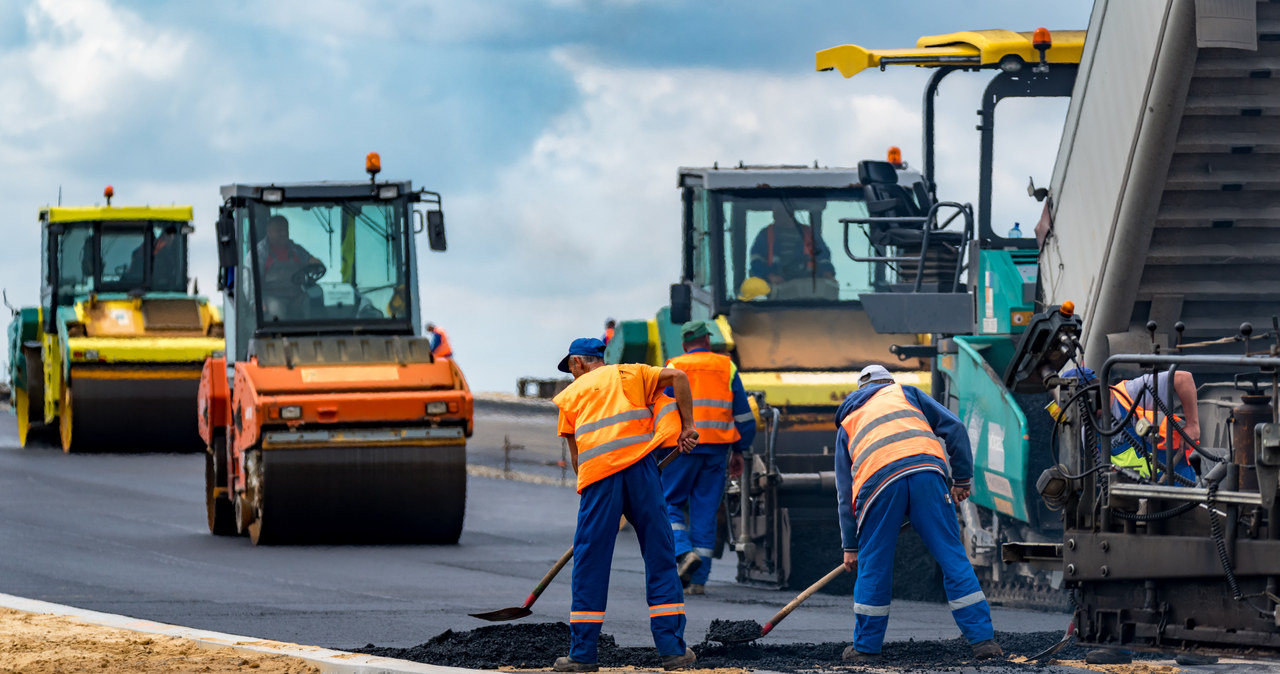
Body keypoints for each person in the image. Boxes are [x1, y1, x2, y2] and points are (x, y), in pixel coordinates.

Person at [835, 364, 1002, 662]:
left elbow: (845, 492)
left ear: (860, 391)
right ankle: (984, 642)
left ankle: (865, 649)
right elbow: (956, 429)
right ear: (888, 382)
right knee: (953, 557)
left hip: (878, 487)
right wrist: (962, 479)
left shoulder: (849, 419)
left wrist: (851, 546)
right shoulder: (906, 393)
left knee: (874, 565)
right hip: (927, 474)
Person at [551, 337, 699, 672]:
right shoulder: (630, 374)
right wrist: (688, 426)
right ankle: (673, 651)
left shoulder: (570, 397)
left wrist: (602, 503)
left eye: (571, 368)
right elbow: (678, 377)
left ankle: (583, 655)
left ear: (577, 363)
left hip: (599, 479)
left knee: (590, 561)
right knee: (661, 556)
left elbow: (577, 461)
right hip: (642, 470)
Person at [660, 321, 756, 595]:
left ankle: (683, 552)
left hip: (681, 448)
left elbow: (663, 410)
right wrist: (740, 450)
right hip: (716, 450)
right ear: (707, 340)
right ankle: (698, 581)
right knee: (705, 512)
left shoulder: (673, 364)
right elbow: (744, 417)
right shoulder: (727, 367)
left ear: (684, 344)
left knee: (668, 502)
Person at [1065, 367, 1201, 484]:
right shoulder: (1088, 433)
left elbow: (1183, 378)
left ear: (1092, 394)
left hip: (1176, 481)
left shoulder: (1131, 392)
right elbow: (1107, 475)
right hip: (1137, 497)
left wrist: (1192, 425)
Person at [747, 204, 837, 299]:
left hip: (810, 292)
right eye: (775, 211)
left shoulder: (809, 233)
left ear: (791, 212)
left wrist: (828, 272)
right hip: (776, 297)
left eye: (780, 211)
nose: (775, 214)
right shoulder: (765, 235)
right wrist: (769, 276)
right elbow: (756, 262)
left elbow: (823, 257)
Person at [256, 214, 324, 319]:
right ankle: (278, 334)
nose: (283, 234)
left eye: (285, 230)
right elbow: (251, 281)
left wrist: (315, 262)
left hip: (295, 294)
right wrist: (256, 302)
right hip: (272, 296)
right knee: (276, 310)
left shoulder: (296, 250)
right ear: (268, 232)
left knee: (313, 298)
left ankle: (315, 332)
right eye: (278, 230)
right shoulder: (260, 253)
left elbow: (310, 260)